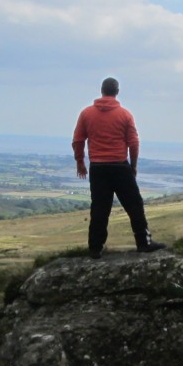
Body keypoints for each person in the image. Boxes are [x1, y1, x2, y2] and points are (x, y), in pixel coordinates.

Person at [73, 77, 167, 258]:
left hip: (98, 168)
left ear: (102, 91)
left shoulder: (86, 114)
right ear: (117, 92)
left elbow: (77, 141)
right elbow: (134, 143)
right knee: (134, 205)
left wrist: (80, 163)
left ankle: (95, 248)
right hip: (119, 166)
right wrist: (133, 166)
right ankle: (143, 242)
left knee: (100, 207)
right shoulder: (125, 115)